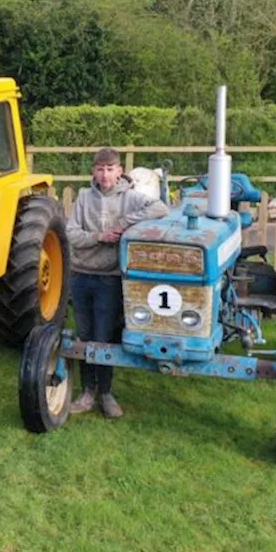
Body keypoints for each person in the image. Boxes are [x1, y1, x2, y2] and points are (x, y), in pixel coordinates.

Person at [65, 147, 169, 419]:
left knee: (105, 336)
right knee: (85, 336)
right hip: (81, 275)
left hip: (109, 279)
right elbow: (72, 234)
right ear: (93, 172)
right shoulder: (84, 198)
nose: (105, 174)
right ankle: (87, 391)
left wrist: (124, 223)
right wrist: (99, 237)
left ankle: (105, 394)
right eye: (100, 169)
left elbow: (161, 207)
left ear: (119, 171)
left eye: (110, 169)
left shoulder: (131, 198)